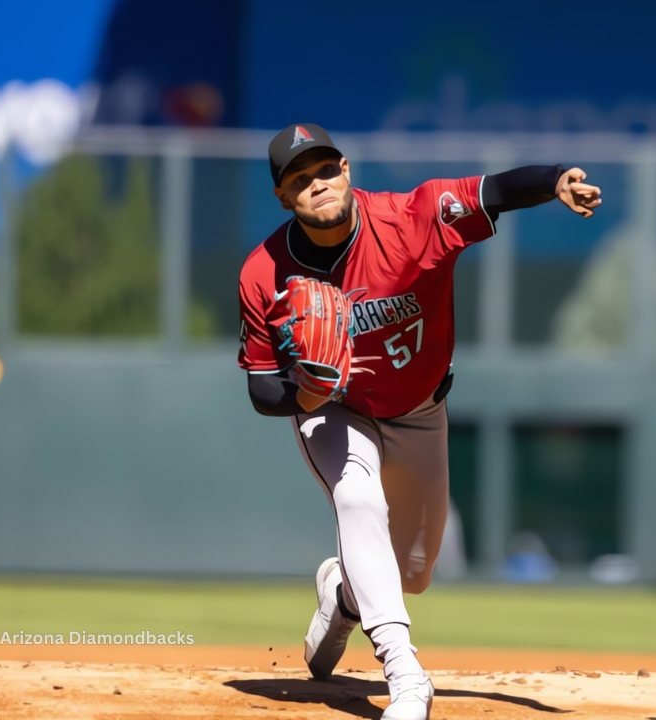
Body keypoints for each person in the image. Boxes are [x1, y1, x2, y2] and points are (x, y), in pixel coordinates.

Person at [237, 123, 601, 719]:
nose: (317, 184)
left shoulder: (415, 217)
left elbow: (497, 191)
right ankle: (406, 674)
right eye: (300, 180)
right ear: (283, 196)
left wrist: (556, 180)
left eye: (325, 169)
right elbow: (259, 388)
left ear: (347, 168)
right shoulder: (263, 272)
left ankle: (345, 594)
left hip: (419, 410)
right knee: (358, 501)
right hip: (335, 410)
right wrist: (306, 394)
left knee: (413, 569)